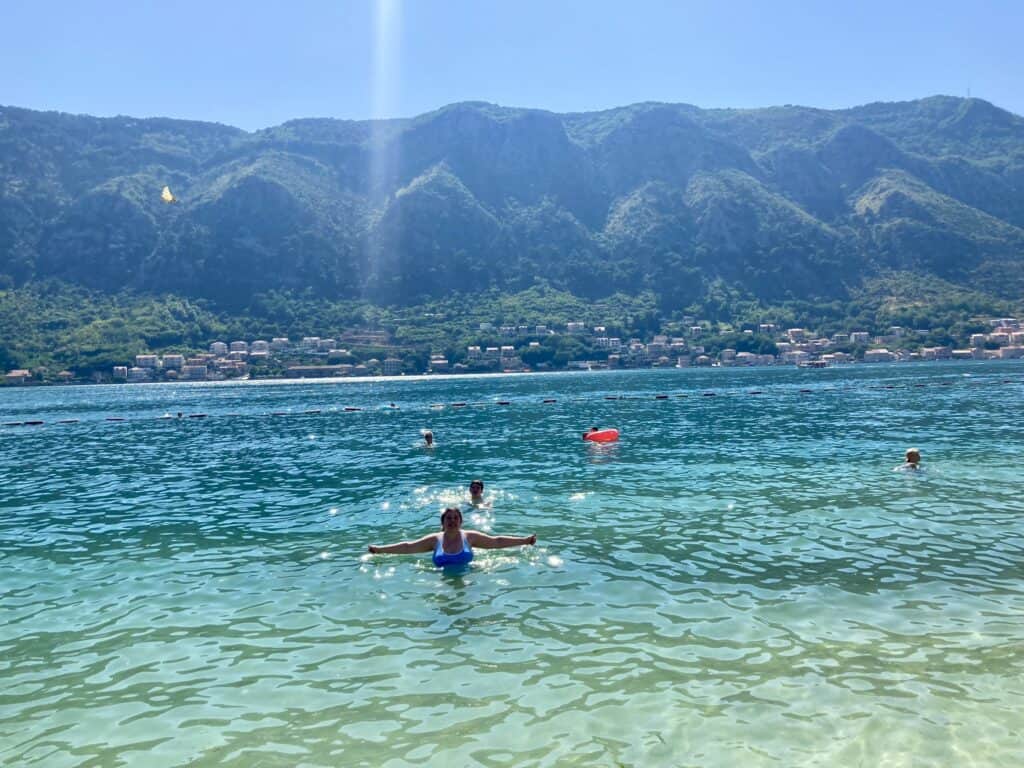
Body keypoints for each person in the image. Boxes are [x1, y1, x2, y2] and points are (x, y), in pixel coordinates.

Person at [367, 507, 536, 568]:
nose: (452, 521)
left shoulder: (470, 537)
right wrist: (380, 550)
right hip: (440, 582)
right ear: (442, 522)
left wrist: (525, 540)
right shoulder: (435, 539)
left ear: (461, 521)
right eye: (448, 518)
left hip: (468, 580)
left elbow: (496, 541)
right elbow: (408, 547)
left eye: (456, 518)